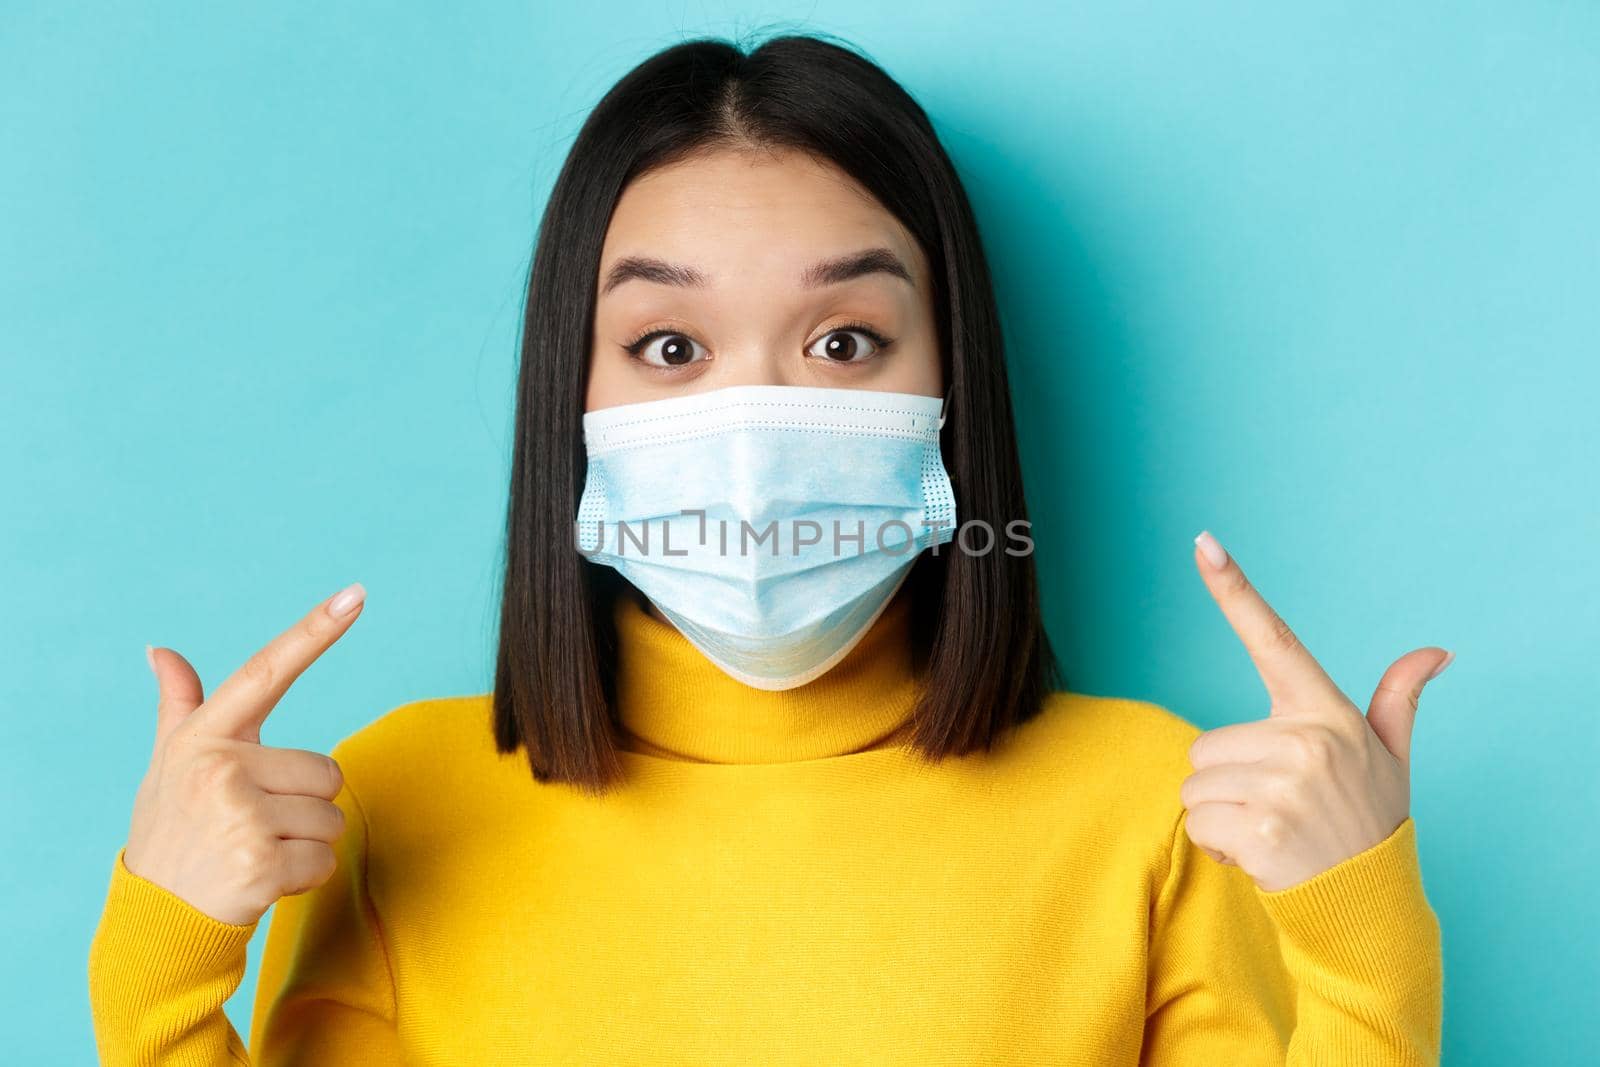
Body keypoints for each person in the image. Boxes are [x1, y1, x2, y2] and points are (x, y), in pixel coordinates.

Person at [88, 32, 1446, 1065]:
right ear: (573, 397)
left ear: (949, 388)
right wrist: (162, 963)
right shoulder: (397, 801)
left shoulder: (1153, 805)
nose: (751, 425)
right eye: (668, 348)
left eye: (843, 341)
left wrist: (1360, 943)